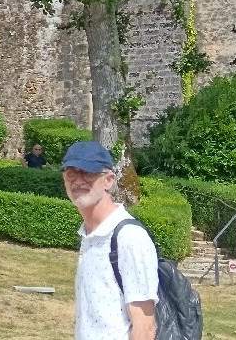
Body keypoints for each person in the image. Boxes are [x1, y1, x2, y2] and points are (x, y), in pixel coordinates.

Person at [62, 141, 158, 340]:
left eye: (87, 172)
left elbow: (145, 328)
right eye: (71, 173)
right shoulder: (90, 235)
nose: (78, 181)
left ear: (109, 180)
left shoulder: (129, 237)